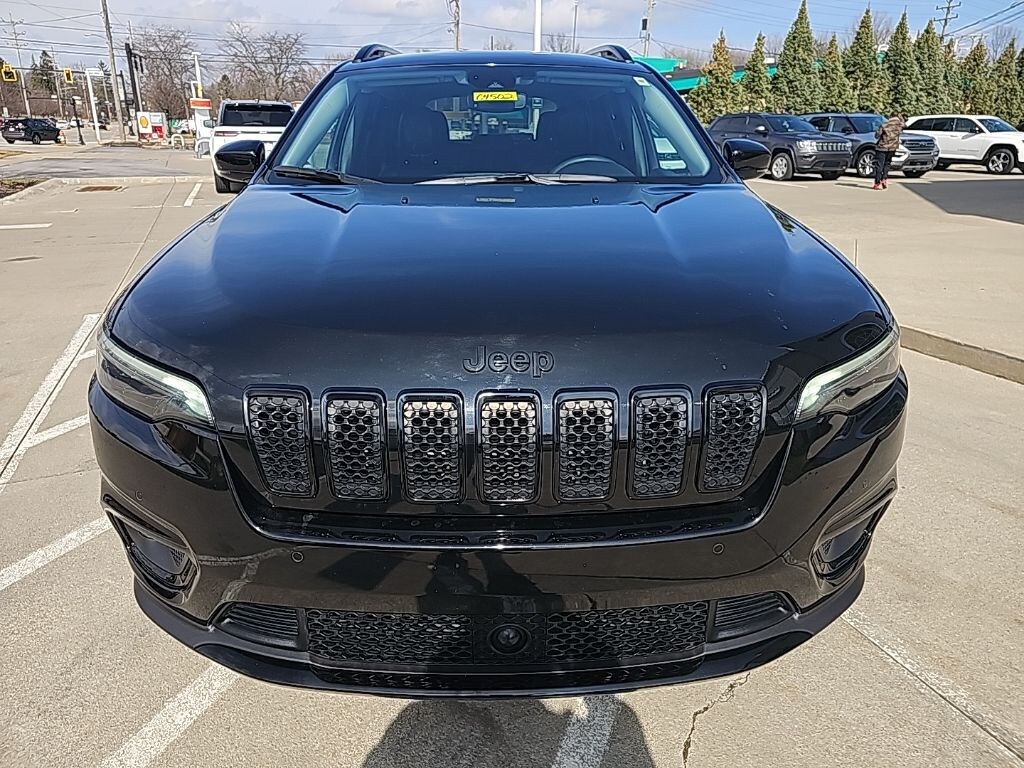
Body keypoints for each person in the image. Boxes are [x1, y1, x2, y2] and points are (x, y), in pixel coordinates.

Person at [873, 112, 905, 190]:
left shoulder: (884, 125)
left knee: (879, 165)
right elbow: (904, 124)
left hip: (882, 147)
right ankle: (884, 179)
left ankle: (877, 183)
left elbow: (877, 135)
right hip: (892, 147)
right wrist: (900, 117)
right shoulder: (899, 126)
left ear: (890, 117)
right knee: (887, 164)